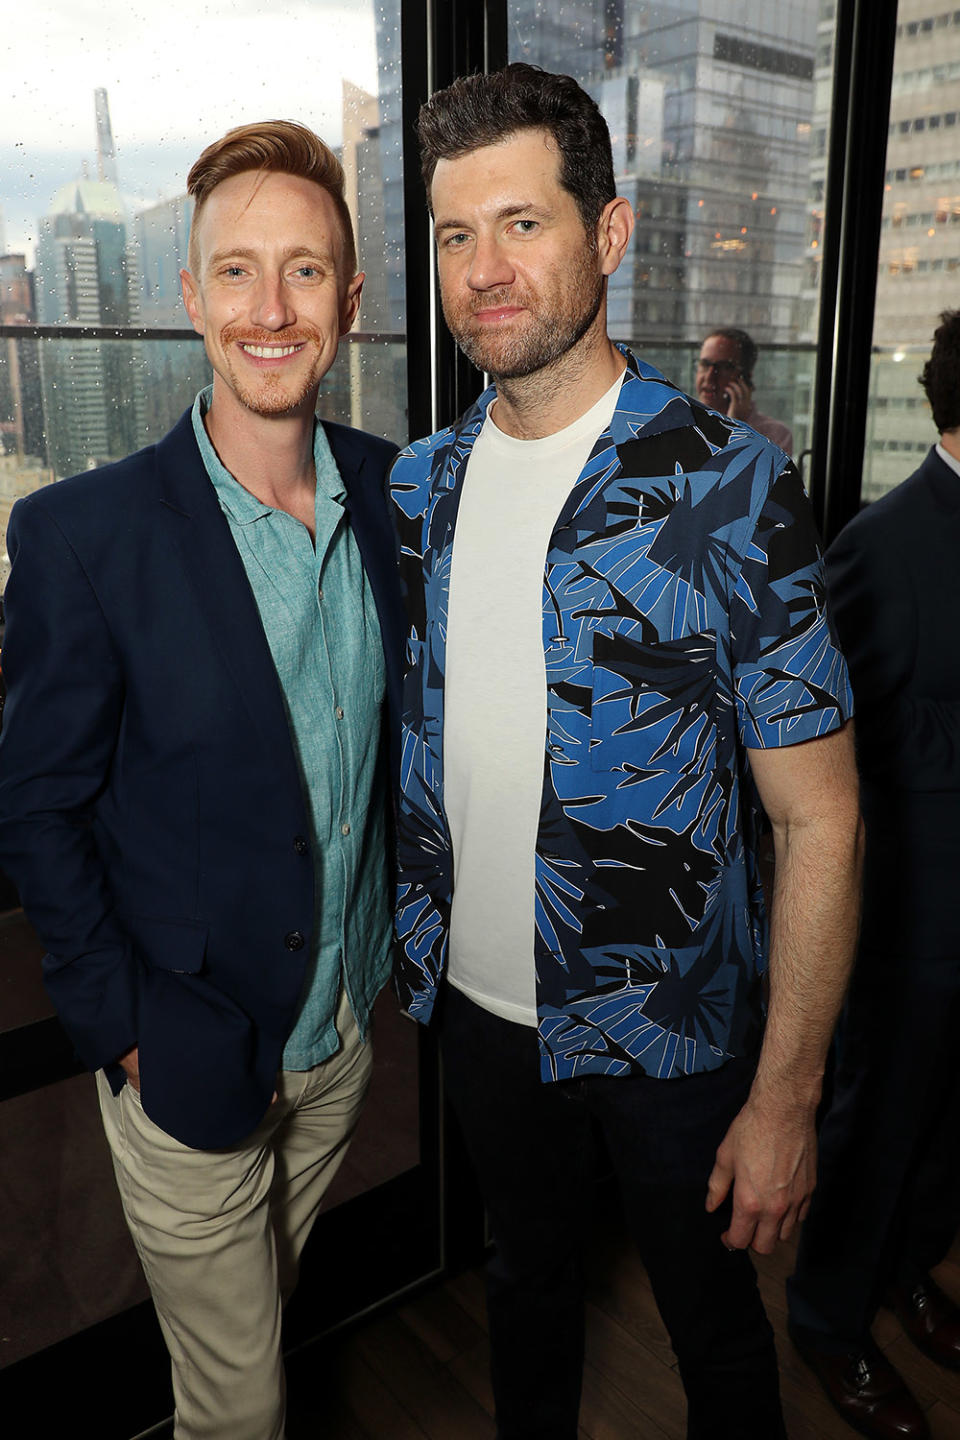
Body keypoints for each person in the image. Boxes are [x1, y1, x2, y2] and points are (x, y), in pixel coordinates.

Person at [390, 63, 862, 1440]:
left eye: (523, 224)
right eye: (458, 234)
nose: (485, 269)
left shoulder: (729, 482)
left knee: (712, 1333)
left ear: (610, 231)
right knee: (525, 1288)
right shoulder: (422, 486)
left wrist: (787, 1097)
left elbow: (821, 820)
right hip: (479, 1014)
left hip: (675, 1033)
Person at [0, 121, 402, 1440]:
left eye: (303, 273)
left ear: (350, 301)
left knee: (243, 1346)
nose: (269, 309)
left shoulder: (394, 498)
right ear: (188, 298)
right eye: (236, 272)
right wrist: (121, 1026)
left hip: (340, 1041)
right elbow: (40, 806)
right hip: (182, 1055)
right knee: (244, 1405)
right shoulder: (82, 537)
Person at [787, 311, 960, 1440]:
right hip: (908, 923)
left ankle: (903, 1270)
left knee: (950, 1128)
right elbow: (824, 757)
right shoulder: (881, 544)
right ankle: (828, 1320)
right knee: (879, 1124)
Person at [695, 326, 794, 453]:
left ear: (745, 378)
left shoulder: (776, 435)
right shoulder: (680, 424)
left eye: (724, 367)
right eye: (705, 364)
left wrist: (736, 427)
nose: (709, 377)